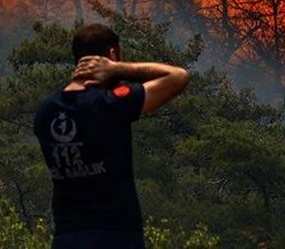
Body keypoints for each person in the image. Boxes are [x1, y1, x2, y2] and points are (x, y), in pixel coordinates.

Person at [33, 23, 190, 249]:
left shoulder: (46, 111)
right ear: (112, 54)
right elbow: (178, 76)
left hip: (66, 237)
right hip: (116, 236)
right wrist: (118, 69)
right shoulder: (109, 104)